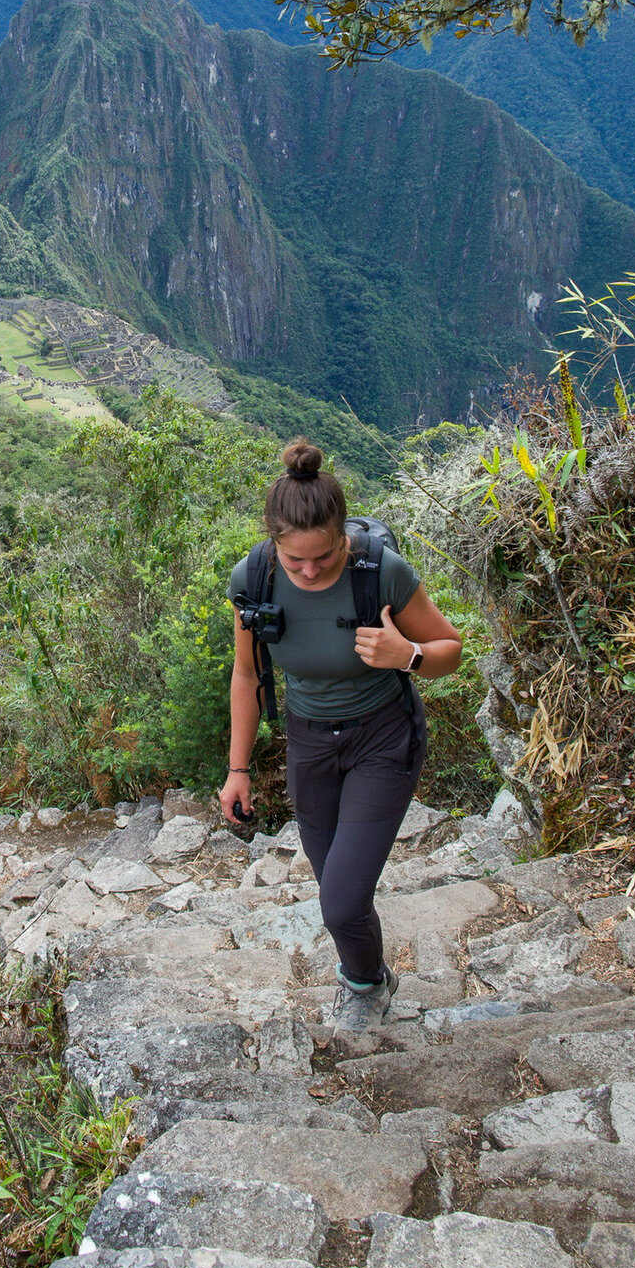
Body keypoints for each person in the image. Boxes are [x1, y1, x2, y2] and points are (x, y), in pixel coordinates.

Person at [219, 438, 462, 1029]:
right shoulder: (253, 579)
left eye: (323, 559)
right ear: (274, 544)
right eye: (294, 560)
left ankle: (362, 989)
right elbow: (248, 674)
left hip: (383, 737)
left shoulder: (380, 573)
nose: (308, 572)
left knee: (341, 900)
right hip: (308, 743)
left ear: (343, 540)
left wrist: (405, 655)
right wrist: (238, 769)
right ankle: (373, 974)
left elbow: (449, 650)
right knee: (337, 891)